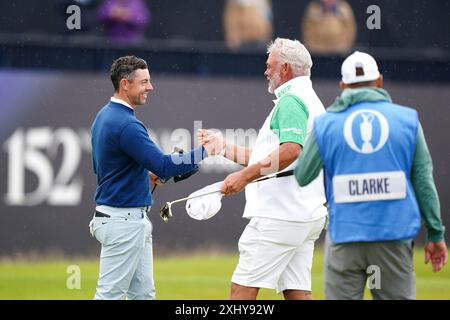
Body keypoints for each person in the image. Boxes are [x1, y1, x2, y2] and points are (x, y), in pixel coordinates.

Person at [295, 51, 448, 299]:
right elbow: (423, 181)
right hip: (393, 237)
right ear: (379, 82)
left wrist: (329, 122)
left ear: (342, 86)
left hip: (345, 236)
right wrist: (435, 233)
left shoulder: (327, 123)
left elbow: (303, 175)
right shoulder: (408, 120)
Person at [198, 38, 327, 300]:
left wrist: (244, 178)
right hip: (305, 215)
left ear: (287, 69)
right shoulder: (310, 99)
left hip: (279, 216)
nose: (266, 71)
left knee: (241, 290)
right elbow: (271, 158)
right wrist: (224, 147)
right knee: (297, 292)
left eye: (270, 65)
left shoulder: (291, 101)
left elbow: (291, 150)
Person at [89, 55, 206, 300]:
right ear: (124, 84)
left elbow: (112, 171)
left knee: (143, 296)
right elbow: (164, 165)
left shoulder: (104, 116)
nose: (150, 87)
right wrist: (208, 150)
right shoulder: (126, 124)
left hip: (124, 220)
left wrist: (146, 178)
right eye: (144, 82)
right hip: (124, 224)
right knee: (109, 296)